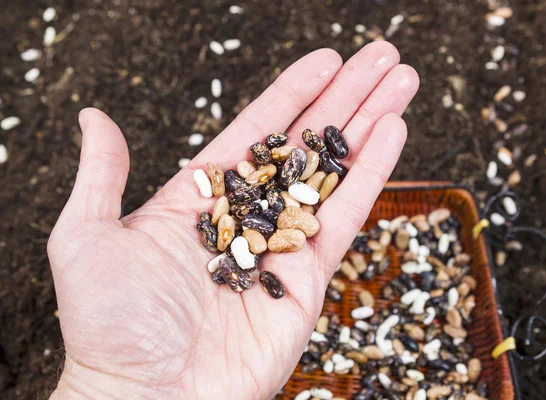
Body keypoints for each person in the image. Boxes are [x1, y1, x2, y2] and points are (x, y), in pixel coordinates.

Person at [48, 41, 419, 399]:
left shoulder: (269, 199)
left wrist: (106, 387)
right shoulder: (246, 212)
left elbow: (266, 217)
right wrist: (111, 381)